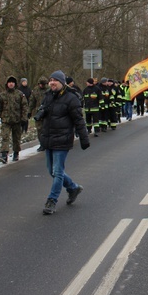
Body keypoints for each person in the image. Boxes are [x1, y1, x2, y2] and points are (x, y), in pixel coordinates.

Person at [37, 70, 90, 215]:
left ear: (62, 83)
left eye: (55, 80)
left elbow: (79, 120)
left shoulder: (71, 98)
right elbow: (44, 111)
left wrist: (84, 138)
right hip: (48, 138)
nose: (52, 83)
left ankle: (52, 200)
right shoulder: (48, 96)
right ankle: (73, 188)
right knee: (51, 171)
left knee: (57, 172)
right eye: (50, 80)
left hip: (63, 139)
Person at [0, 75, 28, 163]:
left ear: (15, 84)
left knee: (16, 138)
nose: (11, 84)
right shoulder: (2, 95)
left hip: (17, 120)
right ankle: (4, 155)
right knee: (5, 137)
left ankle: (16, 153)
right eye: (9, 82)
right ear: (7, 84)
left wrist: (24, 118)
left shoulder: (20, 94)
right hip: (6, 120)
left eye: (12, 82)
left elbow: (24, 107)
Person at [29, 77, 48, 150]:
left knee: (47, 128)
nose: (42, 86)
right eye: (41, 84)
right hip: (38, 112)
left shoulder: (49, 90)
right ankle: (42, 144)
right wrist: (29, 111)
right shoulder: (35, 91)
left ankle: (48, 143)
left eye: (43, 84)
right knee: (39, 129)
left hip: (48, 112)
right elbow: (32, 101)